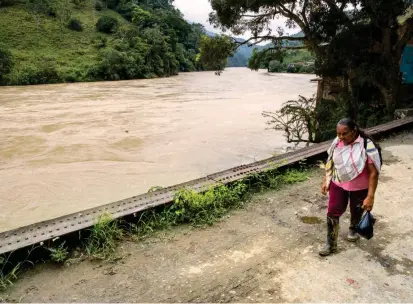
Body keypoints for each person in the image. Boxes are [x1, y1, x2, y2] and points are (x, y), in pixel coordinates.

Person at [319, 118, 382, 256]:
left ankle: (353, 229)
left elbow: (373, 173)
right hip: (338, 182)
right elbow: (330, 161)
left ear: (354, 131)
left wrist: (370, 196)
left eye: (344, 133)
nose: (341, 137)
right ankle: (331, 244)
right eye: (338, 134)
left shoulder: (366, 145)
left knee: (357, 210)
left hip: (360, 186)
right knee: (332, 211)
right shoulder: (337, 142)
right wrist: (326, 180)